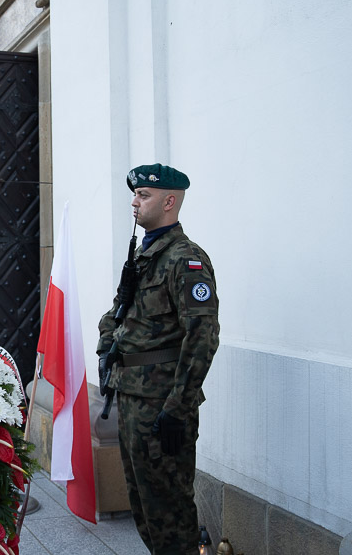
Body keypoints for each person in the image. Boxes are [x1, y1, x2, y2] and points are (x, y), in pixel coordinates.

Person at [96, 164, 220, 554]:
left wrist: (177, 408)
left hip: (162, 405)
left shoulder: (185, 260)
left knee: (171, 513)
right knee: (146, 512)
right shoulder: (145, 254)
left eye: (143, 195)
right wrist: (106, 352)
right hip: (132, 397)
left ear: (169, 201)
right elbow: (116, 313)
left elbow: (202, 338)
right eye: (134, 195)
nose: (134, 202)